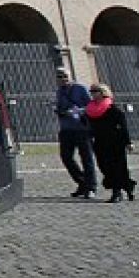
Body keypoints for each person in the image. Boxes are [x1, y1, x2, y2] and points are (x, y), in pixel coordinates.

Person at [85, 83, 136, 202]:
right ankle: (128, 186)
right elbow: (89, 126)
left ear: (102, 93)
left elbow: (123, 126)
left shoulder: (112, 108)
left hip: (115, 142)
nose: (92, 94)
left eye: (95, 91)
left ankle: (117, 192)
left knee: (116, 167)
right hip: (99, 142)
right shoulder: (91, 109)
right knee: (104, 166)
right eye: (91, 92)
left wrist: (128, 142)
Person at [54, 67, 97, 199]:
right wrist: (58, 110)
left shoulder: (80, 89)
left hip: (82, 129)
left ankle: (91, 187)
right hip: (66, 129)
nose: (62, 79)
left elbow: (92, 106)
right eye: (59, 77)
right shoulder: (59, 92)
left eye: (65, 76)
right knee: (66, 157)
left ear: (70, 76)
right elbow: (60, 106)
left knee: (86, 158)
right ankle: (82, 182)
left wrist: (78, 110)